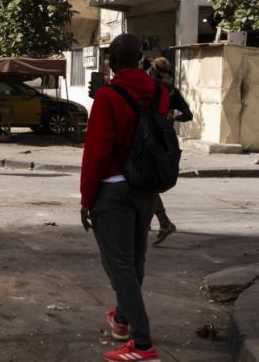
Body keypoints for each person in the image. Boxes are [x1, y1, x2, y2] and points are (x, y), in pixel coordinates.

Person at [80, 33, 169, 362]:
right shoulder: (160, 92)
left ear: (113, 62)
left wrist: (86, 197)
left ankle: (142, 345)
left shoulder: (108, 95)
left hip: (112, 189)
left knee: (119, 266)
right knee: (135, 260)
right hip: (145, 188)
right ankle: (121, 320)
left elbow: (97, 151)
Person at [147, 56, 192, 246]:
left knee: (145, 182)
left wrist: (170, 119)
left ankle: (162, 222)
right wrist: (171, 119)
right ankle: (153, 221)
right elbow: (188, 114)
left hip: (149, 140)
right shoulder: (170, 90)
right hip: (163, 141)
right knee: (146, 181)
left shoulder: (152, 87)